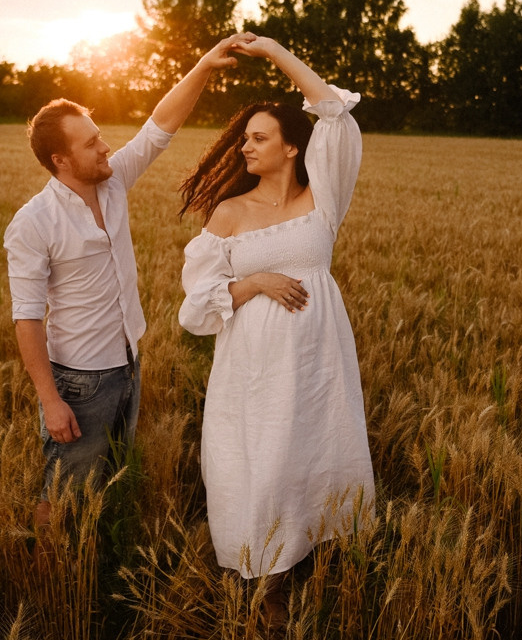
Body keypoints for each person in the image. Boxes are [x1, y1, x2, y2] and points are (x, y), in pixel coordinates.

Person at [4, 32, 253, 534]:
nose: (105, 147)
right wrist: (51, 401)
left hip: (128, 364)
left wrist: (204, 65)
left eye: (99, 135)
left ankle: (91, 560)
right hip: (79, 380)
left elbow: (160, 126)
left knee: (107, 483)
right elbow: (26, 318)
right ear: (61, 161)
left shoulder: (112, 181)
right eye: (91, 143)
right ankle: (48, 570)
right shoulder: (33, 223)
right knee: (62, 491)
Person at [177, 35, 375, 625]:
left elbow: (335, 114)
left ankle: (308, 562)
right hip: (253, 368)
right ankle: (269, 586)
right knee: (261, 464)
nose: (244, 146)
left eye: (259, 137)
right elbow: (195, 310)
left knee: (311, 457)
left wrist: (272, 51)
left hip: (317, 361)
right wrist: (257, 281)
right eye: (244, 138)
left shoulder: (324, 198)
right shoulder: (230, 212)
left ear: (292, 146)